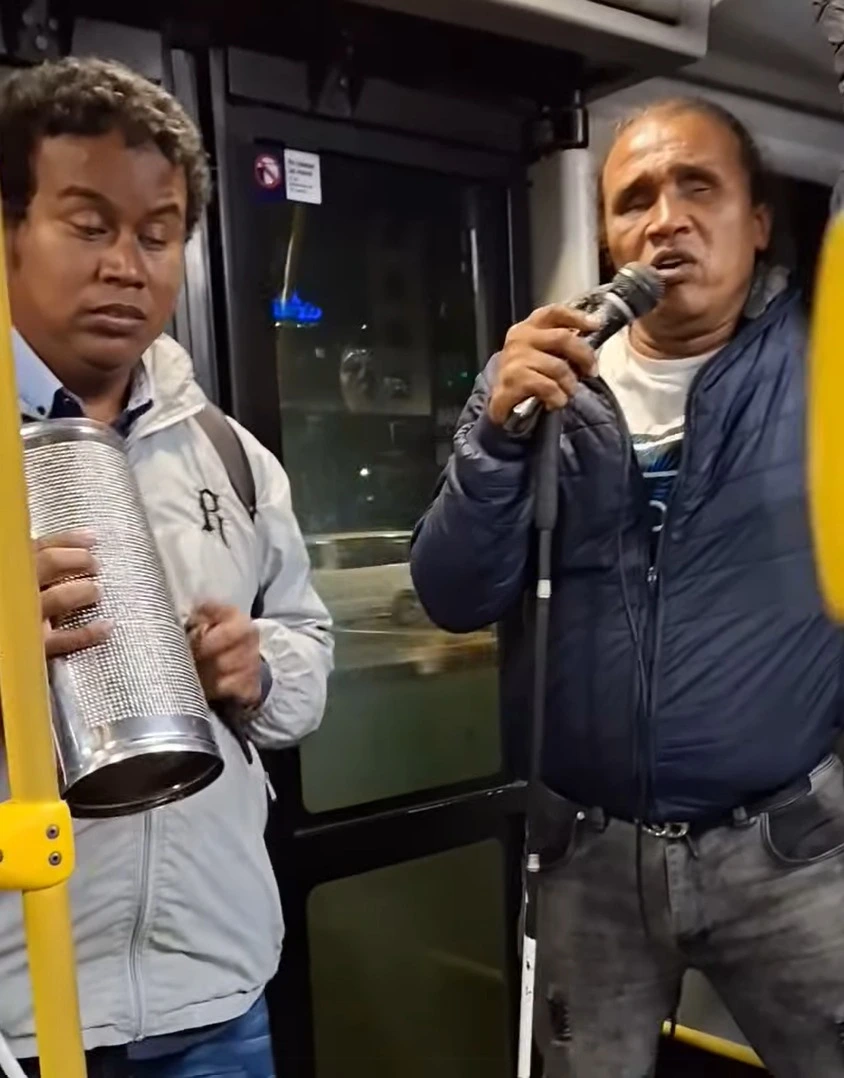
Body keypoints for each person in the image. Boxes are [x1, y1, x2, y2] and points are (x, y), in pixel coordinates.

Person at [410, 97, 844, 1077]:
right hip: (584, 859)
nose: (664, 219)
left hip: (785, 850)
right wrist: (492, 435)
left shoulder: (825, 369)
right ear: (609, 236)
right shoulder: (544, 383)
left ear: (759, 221)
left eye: (699, 187)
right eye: (633, 199)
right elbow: (452, 593)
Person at [0, 58, 333, 1076]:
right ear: (11, 228)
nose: (127, 264)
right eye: (89, 222)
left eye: (158, 233)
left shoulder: (229, 453)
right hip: (21, 1014)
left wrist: (259, 668)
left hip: (216, 996)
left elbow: (311, 647)